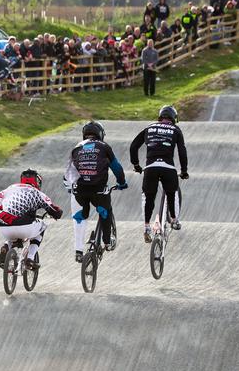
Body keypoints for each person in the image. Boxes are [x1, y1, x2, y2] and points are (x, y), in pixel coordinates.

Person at [64, 121, 128, 263]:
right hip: (98, 189)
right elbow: (116, 167)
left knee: (79, 218)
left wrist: (71, 189)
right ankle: (106, 241)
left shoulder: (76, 148)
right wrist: (122, 183)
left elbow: (68, 173)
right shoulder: (104, 147)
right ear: (100, 134)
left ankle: (78, 251)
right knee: (105, 212)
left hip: (79, 190)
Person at [129, 105, 188, 243]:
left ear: (160, 117)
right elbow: (182, 151)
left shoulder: (149, 128)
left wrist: (136, 165)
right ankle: (174, 219)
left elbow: (133, 146)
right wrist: (184, 170)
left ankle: (146, 227)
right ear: (174, 119)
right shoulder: (175, 130)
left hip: (150, 167)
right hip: (168, 167)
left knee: (148, 197)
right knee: (172, 193)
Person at [0, 169, 63, 270]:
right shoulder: (37, 193)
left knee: (11, 229)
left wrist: (3, 206)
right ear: (37, 181)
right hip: (25, 227)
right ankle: (30, 258)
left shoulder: (9, 189)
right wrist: (57, 214)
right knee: (43, 226)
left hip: (5, 227)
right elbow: (54, 210)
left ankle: (6, 246)